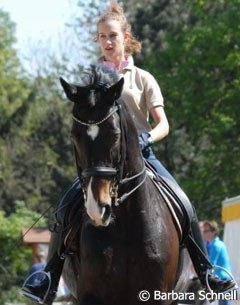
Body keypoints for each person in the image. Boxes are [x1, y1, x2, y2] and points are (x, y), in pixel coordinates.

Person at [21, 2, 237, 304]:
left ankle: (207, 272)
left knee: (184, 203)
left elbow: (164, 124)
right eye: (101, 37)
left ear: (125, 36)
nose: (107, 42)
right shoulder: (92, 82)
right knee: (64, 207)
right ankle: (48, 276)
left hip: (141, 158)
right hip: (103, 164)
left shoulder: (143, 78)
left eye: (112, 35)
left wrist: (148, 138)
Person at [203, 220, 234, 305]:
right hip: (224, 280)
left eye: (206, 231)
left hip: (224, 280)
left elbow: (211, 265)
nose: (204, 233)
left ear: (213, 232)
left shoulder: (216, 245)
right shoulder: (214, 244)